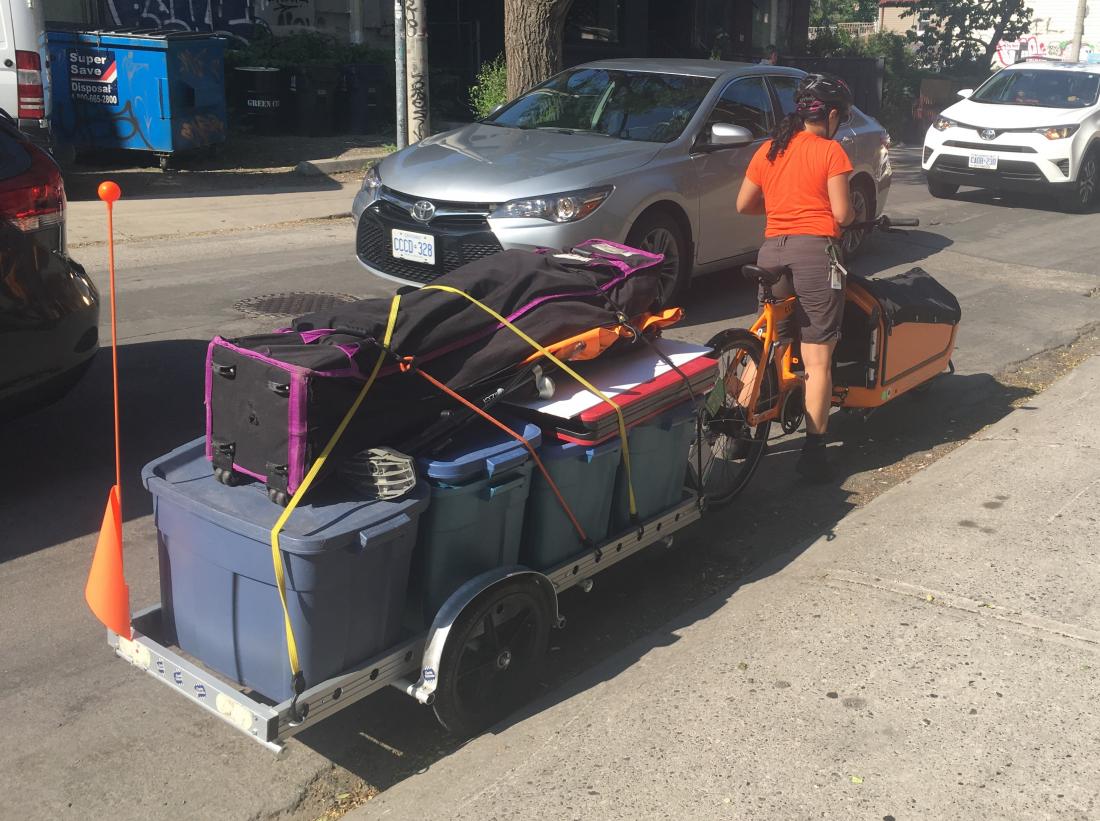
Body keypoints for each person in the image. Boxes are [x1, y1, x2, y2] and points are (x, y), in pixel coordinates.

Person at [735, 73, 855, 483]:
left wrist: (780, 213)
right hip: (815, 252)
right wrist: (852, 217)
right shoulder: (831, 150)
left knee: (769, 341)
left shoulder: (770, 148)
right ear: (832, 114)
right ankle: (815, 452)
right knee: (818, 357)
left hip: (772, 249)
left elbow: (744, 204)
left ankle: (737, 424)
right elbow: (841, 215)